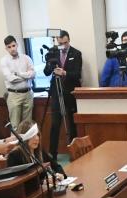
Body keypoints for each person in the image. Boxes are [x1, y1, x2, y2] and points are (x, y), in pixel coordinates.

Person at [43, 29, 82, 160]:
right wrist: (50, 65)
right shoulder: (53, 52)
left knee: (71, 123)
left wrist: (64, 73)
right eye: (60, 43)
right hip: (56, 92)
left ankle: (74, 152)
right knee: (55, 124)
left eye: (65, 43)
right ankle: (52, 154)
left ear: (69, 40)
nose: (63, 46)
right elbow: (46, 72)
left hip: (70, 92)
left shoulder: (76, 54)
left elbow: (77, 75)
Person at [1, 36, 36, 130]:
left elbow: (33, 74)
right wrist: (25, 76)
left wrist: (19, 74)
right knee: (15, 125)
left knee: (27, 126)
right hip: (14, 95)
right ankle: (16, 145)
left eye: (13, 45)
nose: (12, 49)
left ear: (17, 45)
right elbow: (10, 78)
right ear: (6, 48)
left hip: (28, 93)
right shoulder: (4, 61)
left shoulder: (26, 58)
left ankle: (26, 145)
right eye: (9, 47)